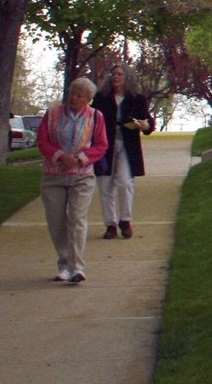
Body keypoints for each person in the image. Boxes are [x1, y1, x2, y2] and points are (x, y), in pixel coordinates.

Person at [35, 77, 108, 284]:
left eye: (79, 95)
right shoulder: (52, 114)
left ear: (88, 99)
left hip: (81, 176)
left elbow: (101, 145)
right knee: (57, 221)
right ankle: (64, 264)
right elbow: (42, 141)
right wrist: (60, 155)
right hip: (53, 176)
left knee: (77, 219)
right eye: (72, 93)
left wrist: (78, 159)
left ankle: (77, 267)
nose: (73, 98)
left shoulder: (96, 117)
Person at [91, 64, 156, 239]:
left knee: (125, 182)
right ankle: (110, 224)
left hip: (127, 146)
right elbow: (92, 121)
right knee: (105, 186)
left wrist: (145, 125)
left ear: (127, 77)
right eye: (113, 74)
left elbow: (147, 121)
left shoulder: (137, 99)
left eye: (119, 74)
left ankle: (125, 220)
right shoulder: (101, 98)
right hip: (105, 147)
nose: (115, 77)